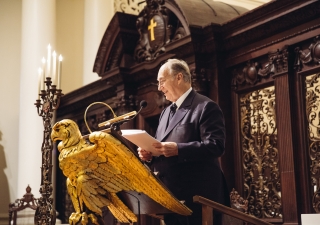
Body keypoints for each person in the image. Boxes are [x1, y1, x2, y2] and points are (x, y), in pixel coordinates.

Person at [138, 58, 230, 225]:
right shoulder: (165, 113)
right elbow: (162, 148)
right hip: (170, 198)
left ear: (178, 77)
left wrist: (179, 149)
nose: (159, 88)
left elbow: (216, 146)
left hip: (198, 199)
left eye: (162, 81)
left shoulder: (205, 107)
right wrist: (150, 154)